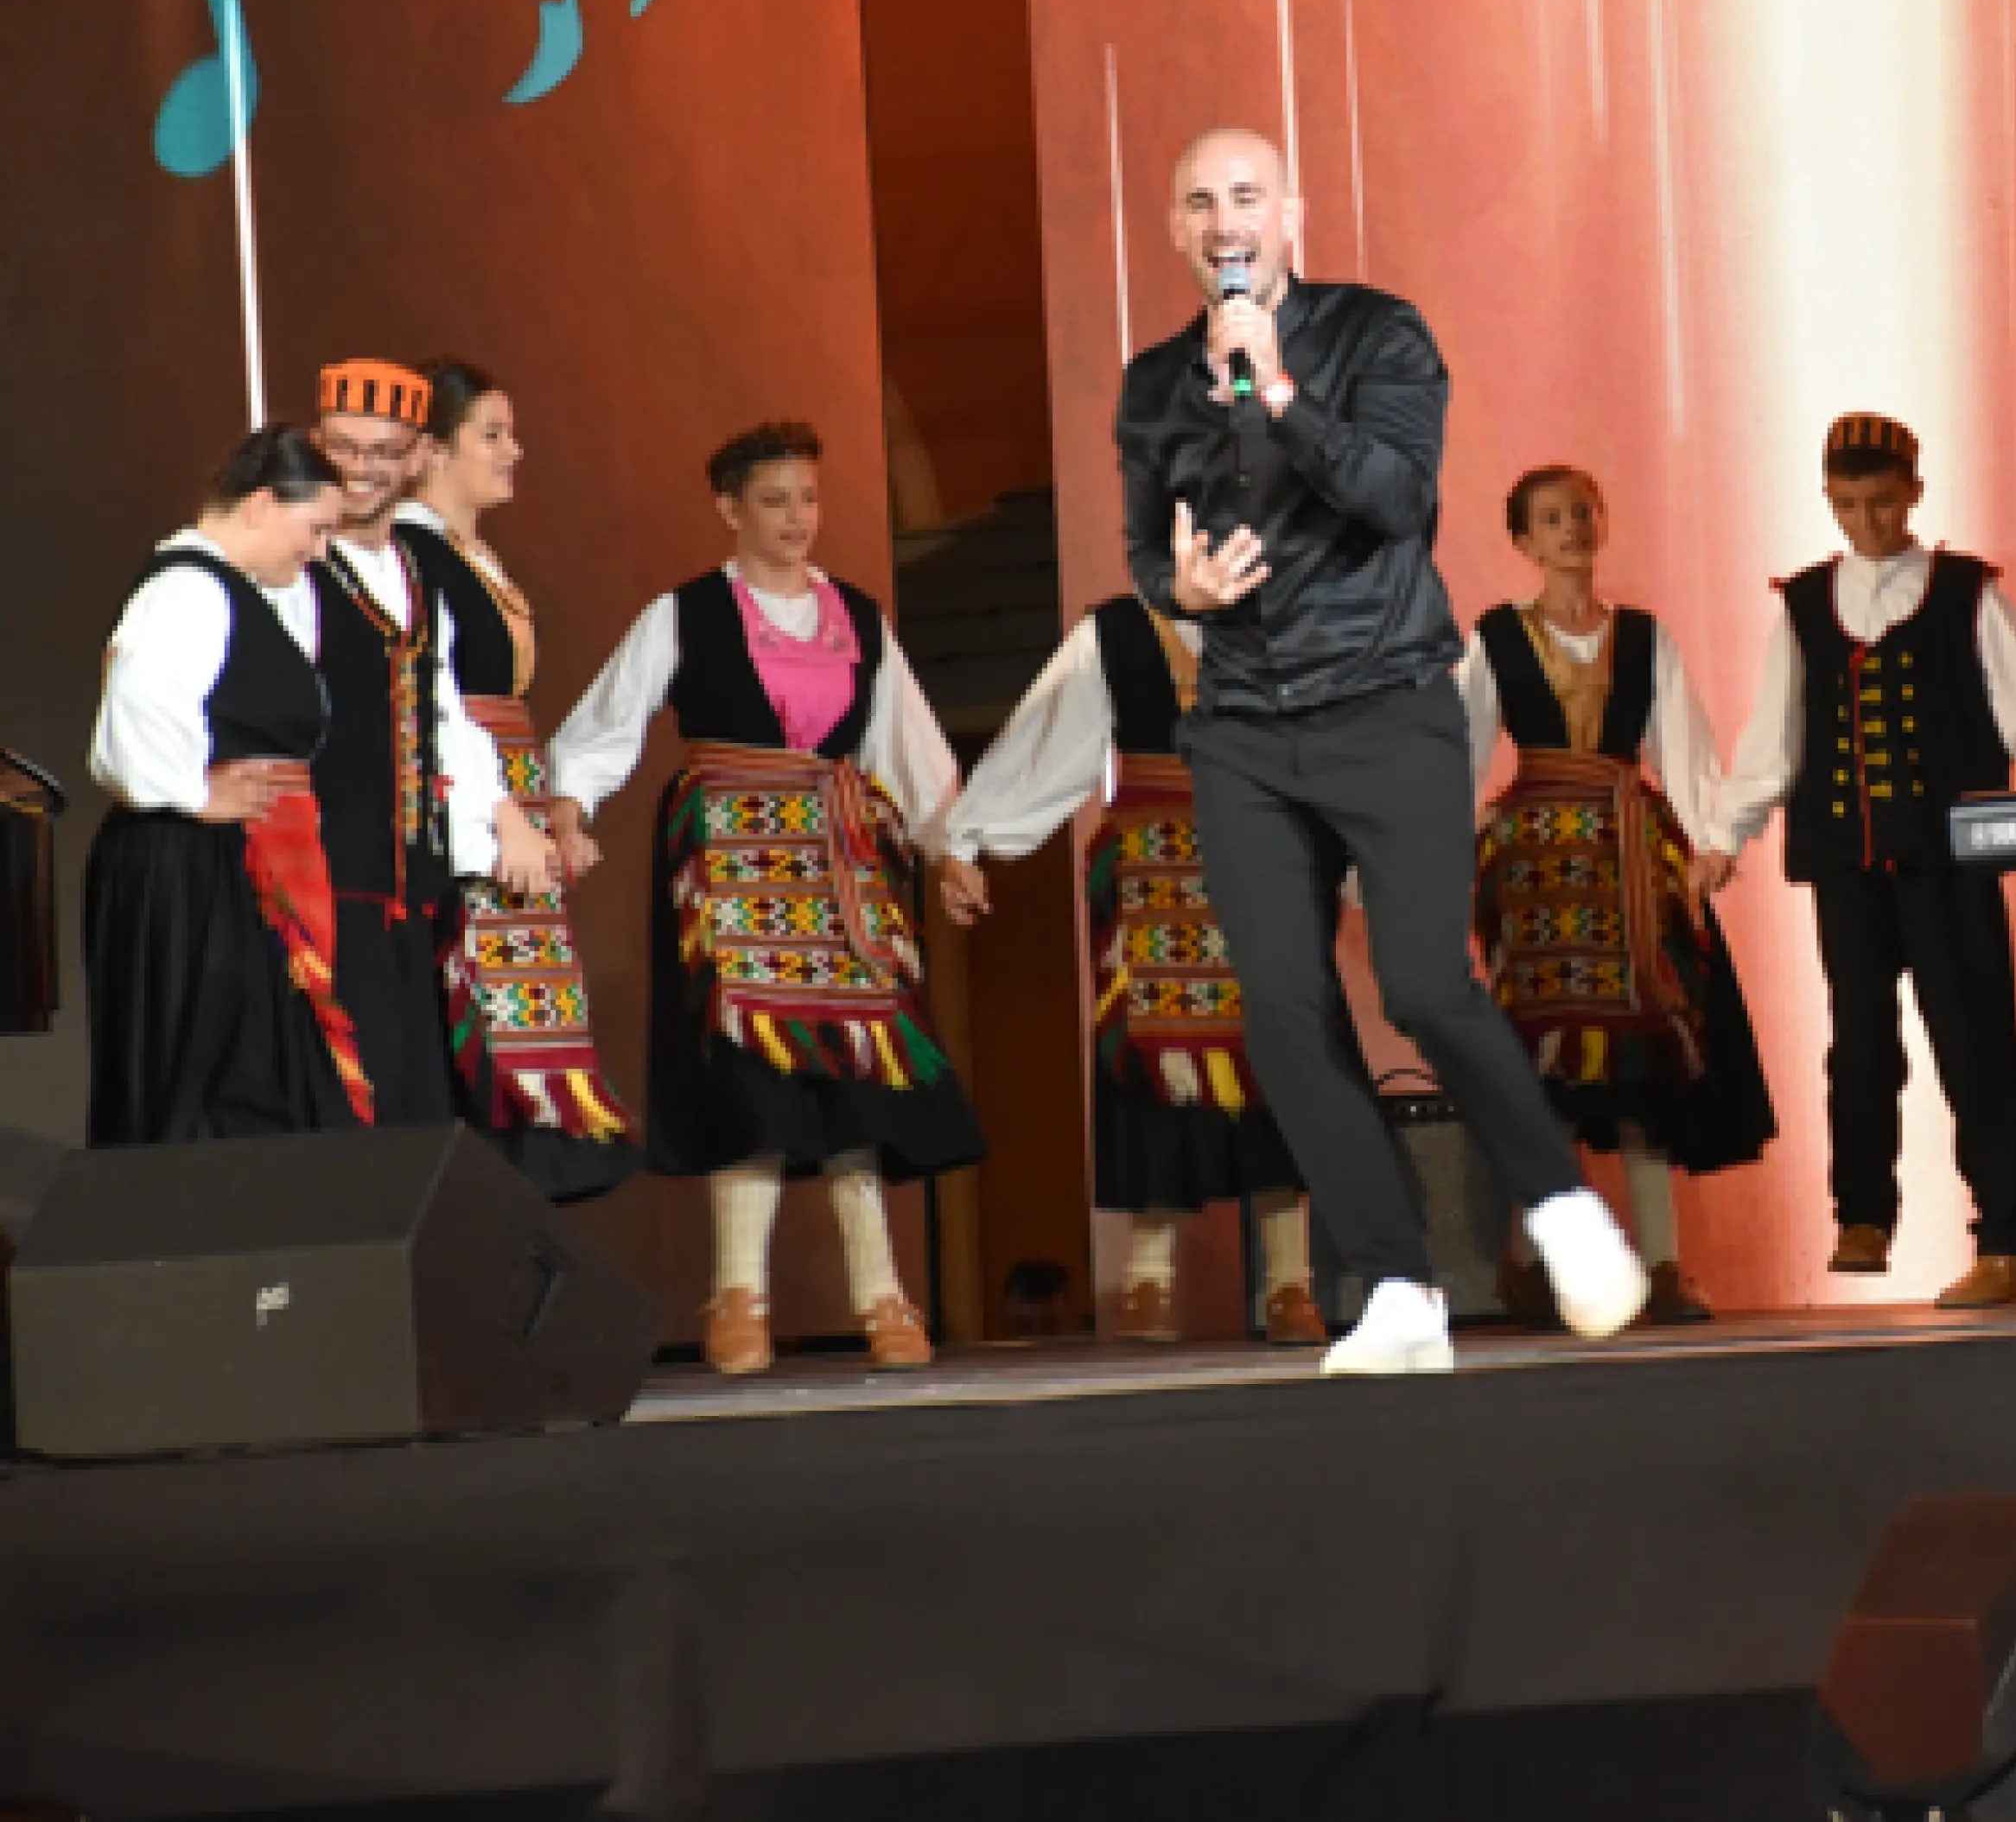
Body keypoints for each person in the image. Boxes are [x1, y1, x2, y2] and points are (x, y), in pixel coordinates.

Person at [1115, 126, 1645, 1376]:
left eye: (1247, 196)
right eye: (1201, 202)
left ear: (1290, 216)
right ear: (1178, 229)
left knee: (1419, 983)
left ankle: (1562, 1204)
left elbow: (1402, 499)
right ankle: (1398, 1283)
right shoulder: (1154, 383)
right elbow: (1146, 543)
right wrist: (1179, 589)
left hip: (1388, 698)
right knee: (1283, 1010)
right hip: (1243, 726)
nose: (1226, 221)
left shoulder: (1378, 333)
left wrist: (1281, 391)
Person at [548, 422, 981, 1374]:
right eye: (775, 501)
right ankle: (739, 1294)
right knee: (750, 1069)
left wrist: (951, 848)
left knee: (856, 1064)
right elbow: (608, 721)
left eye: (808, 499)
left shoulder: (858, 616)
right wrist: (572, 804)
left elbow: (906, 743)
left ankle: (882, 1294)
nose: (797, 518)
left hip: (841, 860)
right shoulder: (687, 613)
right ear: (730, 508)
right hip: (729, 861)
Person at [1701, 413, 2016, 1306]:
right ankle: (1862, 1212)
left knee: (1974, 1036)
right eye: (1848, 506)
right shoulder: (1804, 606)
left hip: (1947, 862)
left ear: (1916, 492)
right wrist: (1727, 834)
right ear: (1828, 501)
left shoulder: (1966, 594)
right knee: (1857, 1042)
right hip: (1844, 862)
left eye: (1883, 502)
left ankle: (2013, 1235)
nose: (1868, 522)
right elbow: (1774, 740)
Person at [937, 591, 1328, 1349]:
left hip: (1268, 860)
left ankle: (1290, 1280)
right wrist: (971, 835)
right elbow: (1050, 735)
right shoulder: (1116, 633)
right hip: (1154, 867)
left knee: (1285, 1062)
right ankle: (1149, 1277)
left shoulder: (1289, 617)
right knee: (1150, 1064)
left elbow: (1332, 747)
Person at [1462, 465, 1777, 1329]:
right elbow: (1457, 750)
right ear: (1523, 542)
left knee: (1647, 1054)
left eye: (1581, 512)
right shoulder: (1496, 638)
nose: (1571, 529)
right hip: (1536, 873)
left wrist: (1714, 843)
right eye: (1550, 518)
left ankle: (1663, 1264)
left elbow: (1684, 744)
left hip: (1629, 861)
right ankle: (1536, 1264)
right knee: (1544, 1062)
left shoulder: (1644, 639)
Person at [82, 427, 372, 1142]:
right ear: (262, 505)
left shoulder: (244, 590)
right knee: (208, 1079)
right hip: (192, 869)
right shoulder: (187, 589)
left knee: (260, 1075)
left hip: (233, 864)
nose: (320, 551)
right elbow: (138, 704)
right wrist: (192, 792)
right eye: (315, 529)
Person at [396, 359, 637, 1201]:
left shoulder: (473, 557)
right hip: (463, 815)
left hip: (511, 801)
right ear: (433, 449)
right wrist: (501, 817)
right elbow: (433, 708)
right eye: (492, 435)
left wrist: (552, 813)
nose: (514, 451)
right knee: (470, 1030)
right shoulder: (411, 557)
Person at [309, 360, 554, 1128]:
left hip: (410, 878)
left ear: (416, 456)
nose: (362, 469)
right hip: (325, 872)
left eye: (383, 452)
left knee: (418, 1099)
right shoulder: (298, 566)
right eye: (345, 449)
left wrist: (503, 818)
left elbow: (441, 709)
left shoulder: (414, 572)